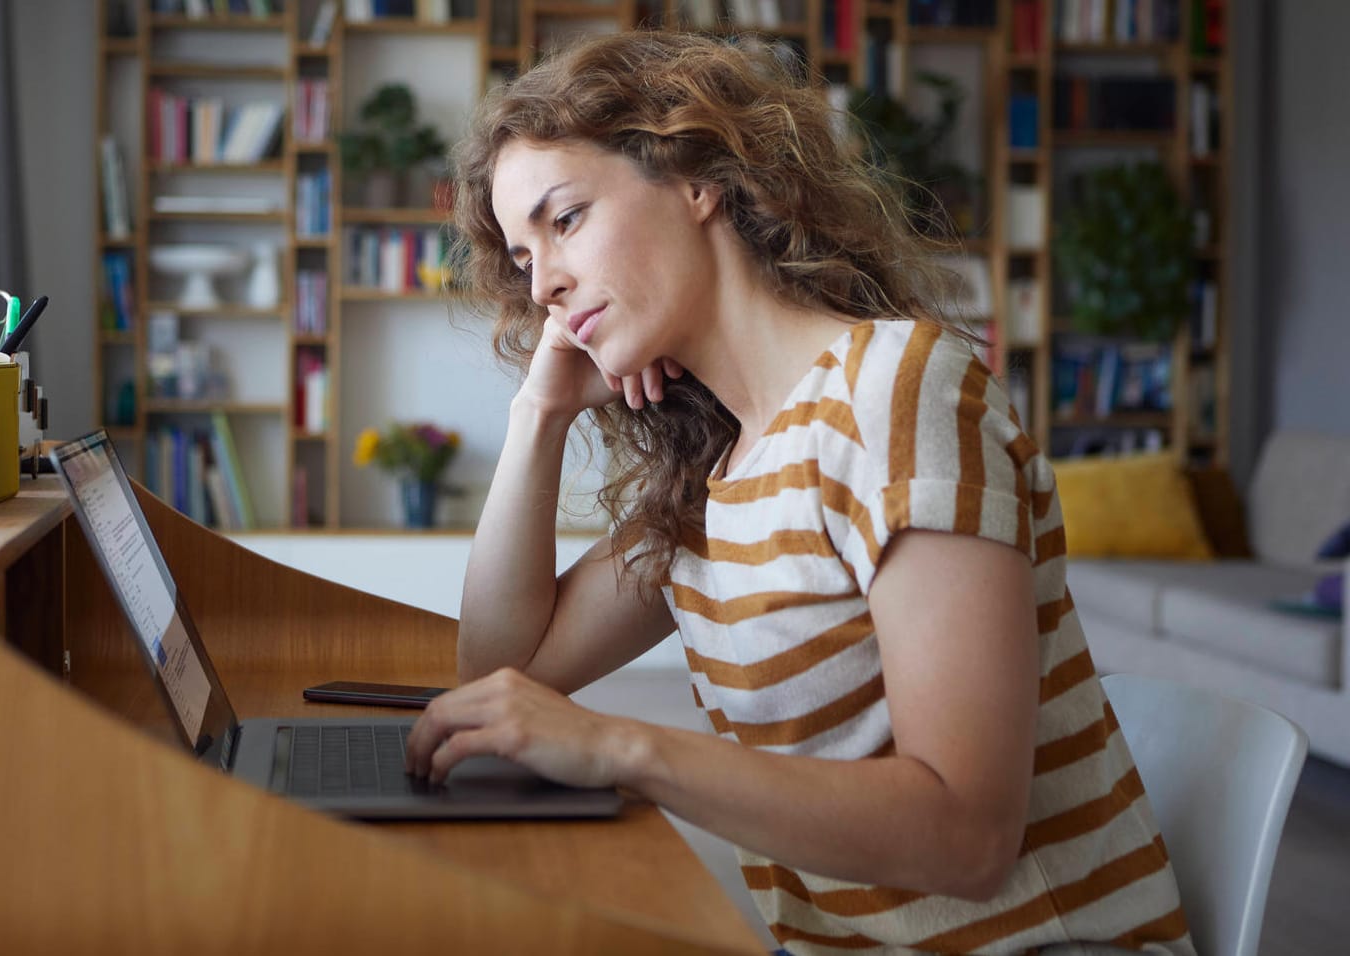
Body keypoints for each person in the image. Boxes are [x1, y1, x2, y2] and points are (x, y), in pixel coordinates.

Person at [402, 31, 1196, 956]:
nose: (545, 283)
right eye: (524, 256)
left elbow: (971, 837)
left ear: (696, 178)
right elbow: (505, 673)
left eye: (565, 219)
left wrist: (625, 750)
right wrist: (540, 414)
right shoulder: (718, 472)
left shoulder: (896, 395)